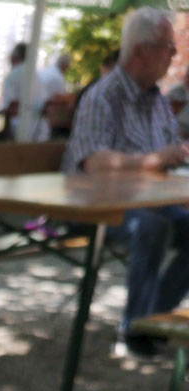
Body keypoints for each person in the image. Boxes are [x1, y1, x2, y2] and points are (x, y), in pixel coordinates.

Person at [62, 7, 189, 359]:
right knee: (152, 228)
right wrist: (154, 160)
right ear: (140, 51)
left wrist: (177, 157)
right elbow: (94, 164)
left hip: (146, 202)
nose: (173, 56)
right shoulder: (103, 96)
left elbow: (169, 153)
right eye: (168, 47)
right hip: (93, 205)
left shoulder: (157, 101)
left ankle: (152, 322)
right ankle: (135, 329)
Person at [0, 42, 49, 141]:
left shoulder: (12, 76)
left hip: (20, 132)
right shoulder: (36, 75)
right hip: (41, 131)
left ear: (14, 57)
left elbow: (9, 107)